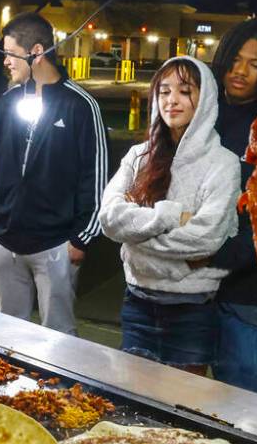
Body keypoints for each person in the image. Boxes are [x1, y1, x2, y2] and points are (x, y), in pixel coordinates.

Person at [98, 56, 240, 374]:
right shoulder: (139, 156)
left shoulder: (223, 163)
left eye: (184, 90)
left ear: (205, 100)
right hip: (137, 303)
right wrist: (173, 216)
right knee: (132, 402)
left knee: (185, 409)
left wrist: (137, 242)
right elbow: (109, 218)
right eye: (164, 91)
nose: (172, 100)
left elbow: (206, 239)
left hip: (192, 310)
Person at [0, 12, 108, 335]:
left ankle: (59, 387)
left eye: (11, 54)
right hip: (4, 241)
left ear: (36, 52)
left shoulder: (80, 105)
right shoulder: (7, 102)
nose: (6, 62)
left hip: (56, 244)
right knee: (8, 341)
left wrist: (81, 238)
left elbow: (95, 177)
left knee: (59, 341)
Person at [208, 18, 257, 392]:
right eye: (235, 59)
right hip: (194, 279)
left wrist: (224, 255)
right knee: (179, 386)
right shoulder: (203, 112)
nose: (240, 71)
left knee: (236, 391)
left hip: (246, 289)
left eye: (254, 64)